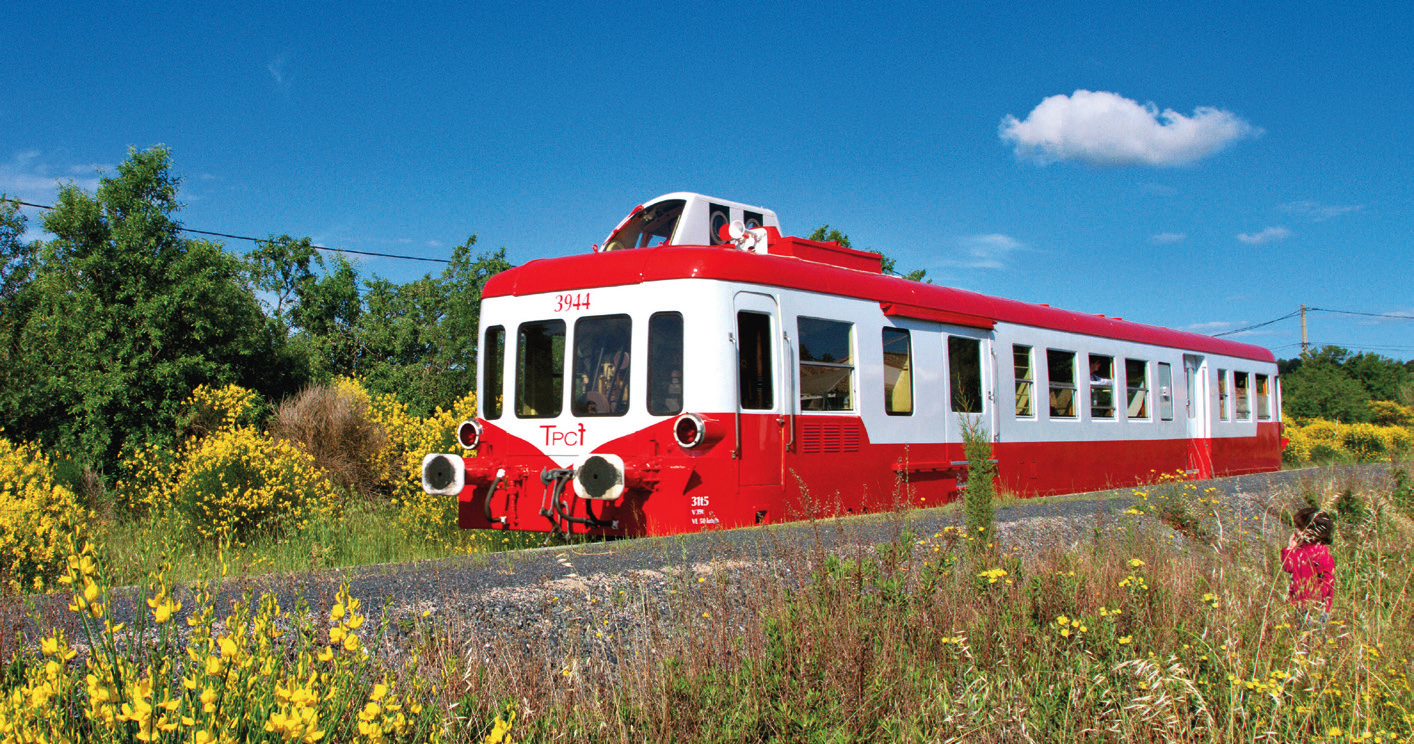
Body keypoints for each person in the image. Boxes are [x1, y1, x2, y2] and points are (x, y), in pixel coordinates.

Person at [1281, 507, 1334, 618]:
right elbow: (1288, 567)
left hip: (1318, 607)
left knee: (1315, 632)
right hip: (1300, 605)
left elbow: (1327, 578)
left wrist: (1318, 598)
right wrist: (1290, 548)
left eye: (1298, 527)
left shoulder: (1320, 551)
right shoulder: (1300, 550)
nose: (1295, 529)